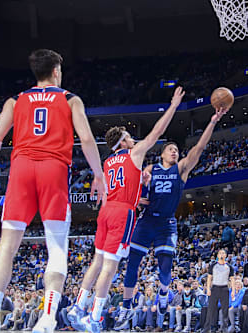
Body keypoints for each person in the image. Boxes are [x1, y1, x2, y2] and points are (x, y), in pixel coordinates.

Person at [0, 49, 107, 333]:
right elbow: (86, 138)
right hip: (53, 170)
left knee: (6, 247)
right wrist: (98, 174)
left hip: (20, 169)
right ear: (56, 71)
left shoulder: (16, 100)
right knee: (57, 248)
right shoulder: (70, 99)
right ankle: (47, 319)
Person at [68, 86, 185, 333]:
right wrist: (173, 106)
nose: (133, 138)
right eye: (130, 136)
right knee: (110, 266)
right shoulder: (134, 153)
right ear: (123, 141)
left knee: (96, 261)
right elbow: (157, 132)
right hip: (123, 213)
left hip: (107, 209)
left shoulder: (108, 161)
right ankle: (95, 318)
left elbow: (118, 187)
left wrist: (135, 194)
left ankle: (77, 307)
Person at [119, 106, 226, 325]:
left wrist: (213, 121)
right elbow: (132, 188)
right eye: (170, 149)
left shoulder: (181, 169)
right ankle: (126, 306)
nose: (174, 151)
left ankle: (164, 294)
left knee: (165, 266)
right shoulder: (150, 168)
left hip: (166, 224)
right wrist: (138, 196)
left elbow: (199, 147)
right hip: (146, 220)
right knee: (133, 263)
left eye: (176, 149)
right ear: (162, 154)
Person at [203, 249, 233, 333]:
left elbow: (232, 279)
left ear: (226, 255)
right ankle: (207, 328)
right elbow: (209, 278)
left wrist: (233, 291)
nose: (221, 254)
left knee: (225, 310)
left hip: (224, 288)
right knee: (211, 309)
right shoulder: (213, 265)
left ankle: (224, 328)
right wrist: (208, 289)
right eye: (220, 253)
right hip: (215, 288)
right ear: (217, 255)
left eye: (223, 253)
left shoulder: (229, 266)